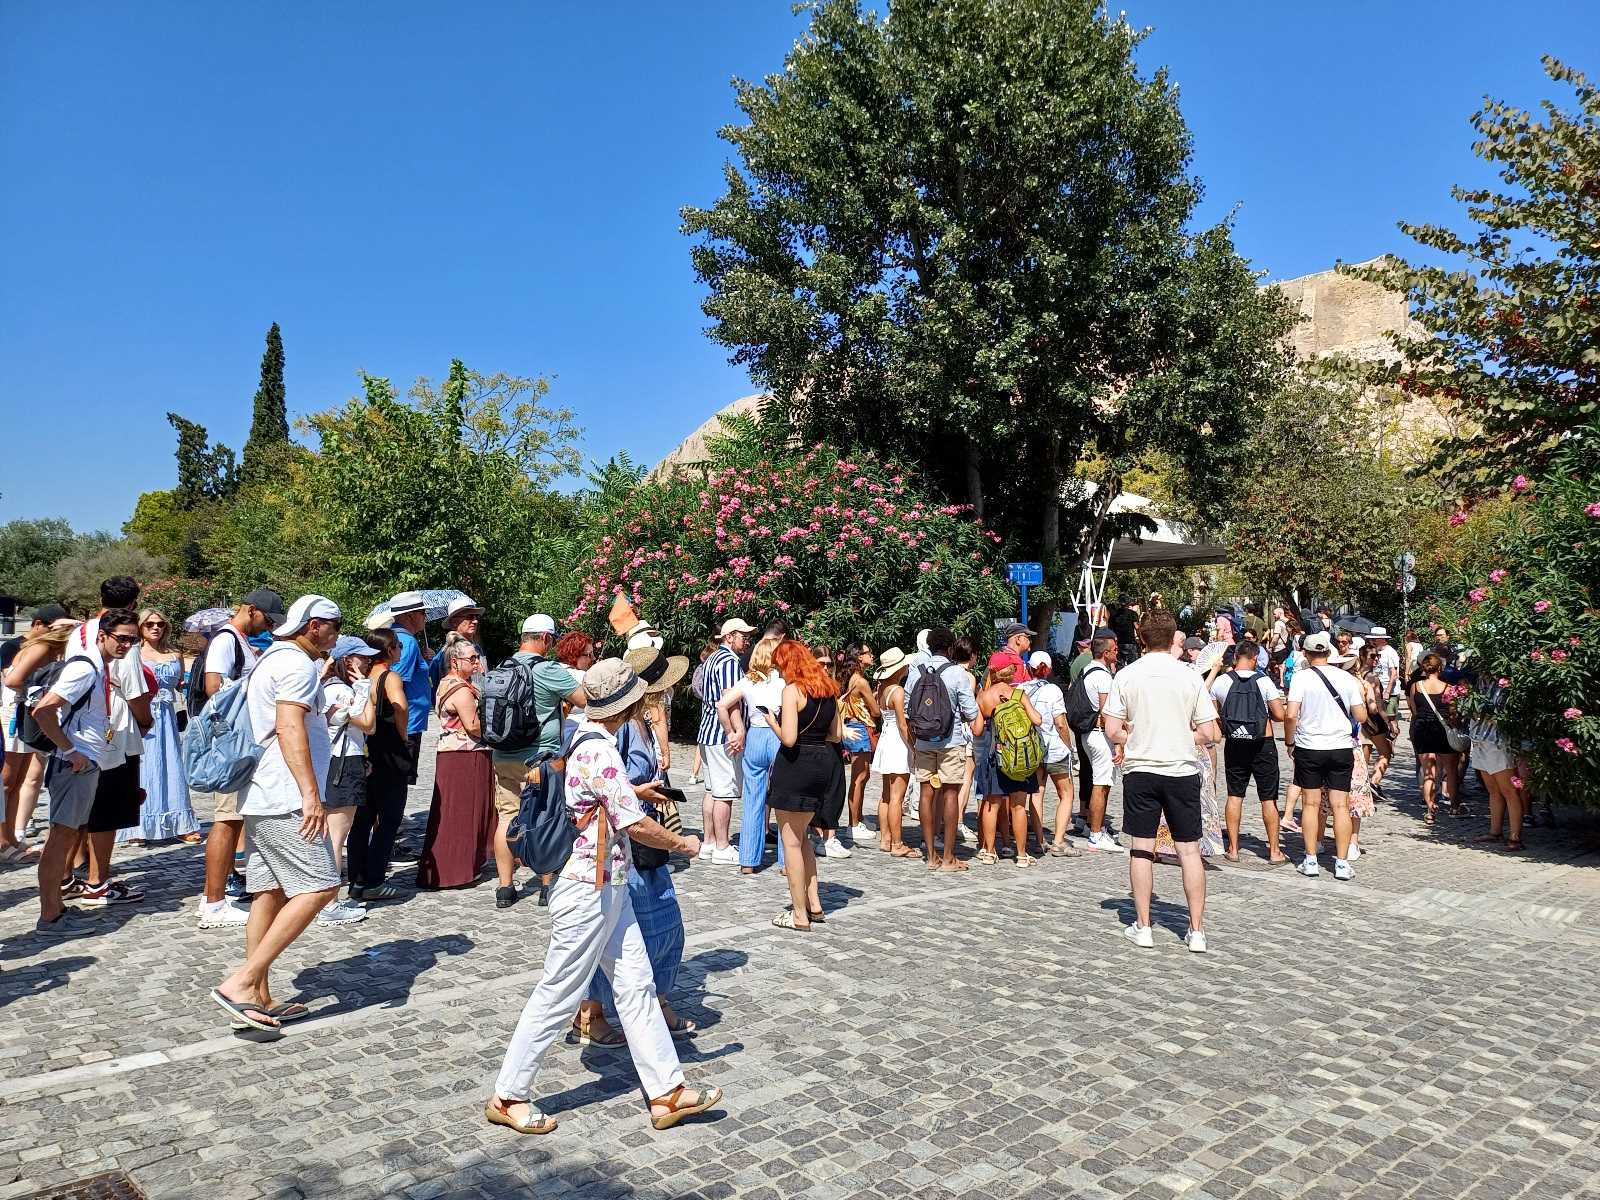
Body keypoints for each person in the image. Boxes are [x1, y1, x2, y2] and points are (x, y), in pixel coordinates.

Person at [488, 659, 720, 1135]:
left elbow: (592, 796)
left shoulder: (580, 733)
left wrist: (632, 792)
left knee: (635, 985)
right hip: (585, 887)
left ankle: (666, 1092)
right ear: (629, 703)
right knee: (559, 991)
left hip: (607, 884)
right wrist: (683, 844)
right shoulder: (601, 750)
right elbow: (631, 824)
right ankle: (508, 1094)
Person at [207, 596, 343, 1032]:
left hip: (263, 794)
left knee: (271, 893)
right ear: (316, 625)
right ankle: (243, 983)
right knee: (321, 886)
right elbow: (288, 726)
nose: (337, 634)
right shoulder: (297, 665)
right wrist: (310, 794)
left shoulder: (271, 658)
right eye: (335, 626)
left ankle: (259, 996)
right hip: (285, 796)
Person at [577, 646, 694, 1046]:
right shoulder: (618, 728)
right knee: (638, 926)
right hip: (626, 839)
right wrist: (680, 842)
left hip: (636, 833)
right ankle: (594, 1011)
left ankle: (651, 1003)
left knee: (651, 924)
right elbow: (611, 787)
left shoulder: (641, 721)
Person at [1101, 610, 1220, 952]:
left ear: (1140, 636)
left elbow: (1111, 730)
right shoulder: (1189, 677)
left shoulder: (1126, 675)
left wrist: (1133, 735)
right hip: (1181, 768)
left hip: (1141, 768)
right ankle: (1196, 930)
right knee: (1189, 850)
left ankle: (1143, 925)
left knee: (1141, 849)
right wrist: (1183, 735)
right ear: (1173, 640)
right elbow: (1210, 732)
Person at [26, 608, 142, 937]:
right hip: (75, 765)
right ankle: (50, 915)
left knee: (64, 837)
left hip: (85, 762)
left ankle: (57, 908)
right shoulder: (85, 668)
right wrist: (71, 750)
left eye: (132, 641)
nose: (127, 646)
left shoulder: (97, 667)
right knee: (60, 840)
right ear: (102, 635)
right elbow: (43, 711)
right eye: (122, 638)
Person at [197, 588, 287, 929]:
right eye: (266, 619)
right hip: (232, 743)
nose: (267, 627)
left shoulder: (242, 640)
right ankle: (213, 901)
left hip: (242, 743)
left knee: (236, 819)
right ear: (250, 610)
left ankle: (219, 895)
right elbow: (214, 687)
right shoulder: (226, 640)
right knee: (227, 820)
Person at [490, 615, 587, 906]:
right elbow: (583, 700)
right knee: (546, 817)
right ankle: (547, 886)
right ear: (545, 638)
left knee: (507, 816)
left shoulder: (501, 668)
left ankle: (505, 888)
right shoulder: (548, 670)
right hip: (540, 758)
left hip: (503, 754)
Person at [765, 640, 844, 928]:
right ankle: (815, 904)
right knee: (804, 838)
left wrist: (771, 722)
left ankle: (799, 914)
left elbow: (788, 738)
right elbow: (835, 735)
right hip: (821, 763)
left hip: (795, 765)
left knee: (791, 842)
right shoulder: (828, 690)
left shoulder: (792, 690)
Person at [1284, 632, 1368, 880]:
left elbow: (1290, 715)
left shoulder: (1301, 678)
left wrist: (1290, 742)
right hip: (1340, 747)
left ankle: (1310, 859)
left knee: (1310, 805)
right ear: (1329, 653)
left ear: (1307, 655)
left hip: (1310, 746)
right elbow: (1361, 716)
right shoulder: (1346, 678)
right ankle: (1341, 864)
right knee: (1341, 806)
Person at [417, 640, 496, 894]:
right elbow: (473, 726)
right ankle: (455, 868)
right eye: (472, 658)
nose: (477, 662)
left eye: (477, 658)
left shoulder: (448, 684)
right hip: (464, 754)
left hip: (456, 753)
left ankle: (464, 864)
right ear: (454, 662)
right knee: (462, 813)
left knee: (458, 812)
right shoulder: (460, 689)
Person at [910, 628, 983, 873]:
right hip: (950, 741)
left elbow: (909, 708)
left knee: (926, 793)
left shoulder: (916, 671)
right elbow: (971, 712)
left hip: (923, 741)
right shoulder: (956, 673)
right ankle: (949, 857)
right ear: (950, 648)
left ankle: (930, 855)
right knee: (951, 793)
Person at [1209, 638, 1288, 864]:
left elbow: (1215, 713)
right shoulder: (1264, 682)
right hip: (1263, 743)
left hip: (1235, 743)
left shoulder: (1221, 682)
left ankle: (1233, 849)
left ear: (1235, 658)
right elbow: (1279, 715)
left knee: (1235, 795)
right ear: (1255, 659)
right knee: (1268, 798)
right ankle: (1274, 851)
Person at [346, 628, 411, 904]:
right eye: (398, 645)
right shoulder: (389, 676)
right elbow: (401, 706)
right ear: (389, 650)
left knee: (362, 818)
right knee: (390, 817)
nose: (401, 650)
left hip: (365, 749)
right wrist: (404, 734)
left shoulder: (360, 677)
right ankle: (374, 879)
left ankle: (356, 879)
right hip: (389, 749)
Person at [1, 602, 70, 864]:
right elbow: (13, 680)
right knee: (7, 781)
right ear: (39, 625)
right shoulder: (17, 647)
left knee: (19, 780)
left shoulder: (45, 650)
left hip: (26, 714)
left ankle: (12, 836)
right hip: (13, 713)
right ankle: (3, 841)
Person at [125, 609, 200, 844]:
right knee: (144, 767)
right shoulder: (132, 654)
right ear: (140, 627)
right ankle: (137, 826)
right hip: (143, 714)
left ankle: (180, 823)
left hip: (167, 716)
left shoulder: (174, 654)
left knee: (171, 766)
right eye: (149, 624)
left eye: (160, 624)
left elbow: (180, 685)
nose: (156, 628)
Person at [319, 635, 379, 924]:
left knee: (331, 835)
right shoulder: (340, 690)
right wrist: (364, 690)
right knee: (335, 836)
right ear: (346, 661)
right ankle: (330, 903)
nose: (367, 661)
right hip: (343, 762)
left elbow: (369, 724)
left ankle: (326, 899)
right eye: (361, 657)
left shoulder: (336, 687)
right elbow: (367, 723)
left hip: (342, 760)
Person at [715, 634, 785, 874]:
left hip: (754, 735)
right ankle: (787, 861)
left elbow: (721, 705)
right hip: (776, 735)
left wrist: (731, 731)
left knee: (753, 799)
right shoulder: (782, 681)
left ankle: (748, 859)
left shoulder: (747, 681)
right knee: (783, 800)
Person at [973, 652, 1044, 868]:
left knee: (992, 805)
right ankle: (1022, 855)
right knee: (1019, 806)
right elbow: (1038, 720)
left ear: (993, 671)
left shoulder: (984, 697)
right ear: (1010, 671)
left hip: (996, 755)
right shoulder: (1019, 694)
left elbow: (977, 730)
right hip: (1019, 757)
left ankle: (989, 852)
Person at [694, 618, 753, 865]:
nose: (747, 640)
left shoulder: (712, 659)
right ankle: (722, 845)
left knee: (711, 790)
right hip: (721, 735)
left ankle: (709, 842)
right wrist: (736, 731)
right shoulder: (729, 661)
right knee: (724, 793)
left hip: (707, 733)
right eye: (743, 635)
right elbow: (730, 702)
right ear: (730, 636)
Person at [1021, 652, 1080, 858]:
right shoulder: (1053, 690)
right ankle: (1058, 841)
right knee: (1066, 793)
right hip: (1054, 749)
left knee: (1037, 793)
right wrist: (1070, 747)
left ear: (1029, 668)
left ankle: (1039, 840)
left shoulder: (1021, 689)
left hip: (1033, 749)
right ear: (1049, 668)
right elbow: (1061, 723)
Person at [381, 591, 435, 786]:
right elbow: (395, 681)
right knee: (398, 781)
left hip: (406, 721)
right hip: (406, 723)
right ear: (409, 615)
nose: (425, 617)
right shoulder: (407, 642)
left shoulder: (398, 638)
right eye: (422, 613)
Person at [1076, 633, 1123, 853]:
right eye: (1114, 650)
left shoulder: (1087, 670)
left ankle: (1094, 827)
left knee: (1099, 781)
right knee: (1101, 784)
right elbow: (1107, 713)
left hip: (1088, 733)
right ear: (1106, 653)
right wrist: (1118, 740)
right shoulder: (1103, 677)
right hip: (1098, 734)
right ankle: (1096, 833)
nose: (1117, 652)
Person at [869, 648, 916, 858]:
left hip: (886, 739)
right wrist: (913, 748)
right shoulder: (898, 691)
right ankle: (897, 843)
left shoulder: (881, 689)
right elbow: (903, 724)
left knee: (886, 795)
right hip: (897, 740)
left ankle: (885, 838)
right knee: (898, 796)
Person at [837, 644, 881, 847]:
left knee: (862, 774)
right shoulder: (861, 681)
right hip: (859, 727)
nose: (871, 655)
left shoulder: (846, 677)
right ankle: (853, 824)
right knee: (859, 776)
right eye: (867, 653)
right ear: (859, 657)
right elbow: (875, 710)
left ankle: (858, 819)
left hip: (849, 725)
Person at [1408, 653, 1459, 824]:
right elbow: (1453, 713)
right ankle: (1453, 806)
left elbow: (1414, 711)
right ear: (1440, 668)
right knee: (1450, 770)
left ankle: (1430, 810)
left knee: (1428, 772)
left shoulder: (1416, 686)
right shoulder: (1448, 688)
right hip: (1442, 731)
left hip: (1423, 730)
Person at [427, 595, 484, 692]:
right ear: (454, 622)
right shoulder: (448, 652)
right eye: (469, 617)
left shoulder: (477, 648)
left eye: (476, 616)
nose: (475, 621)